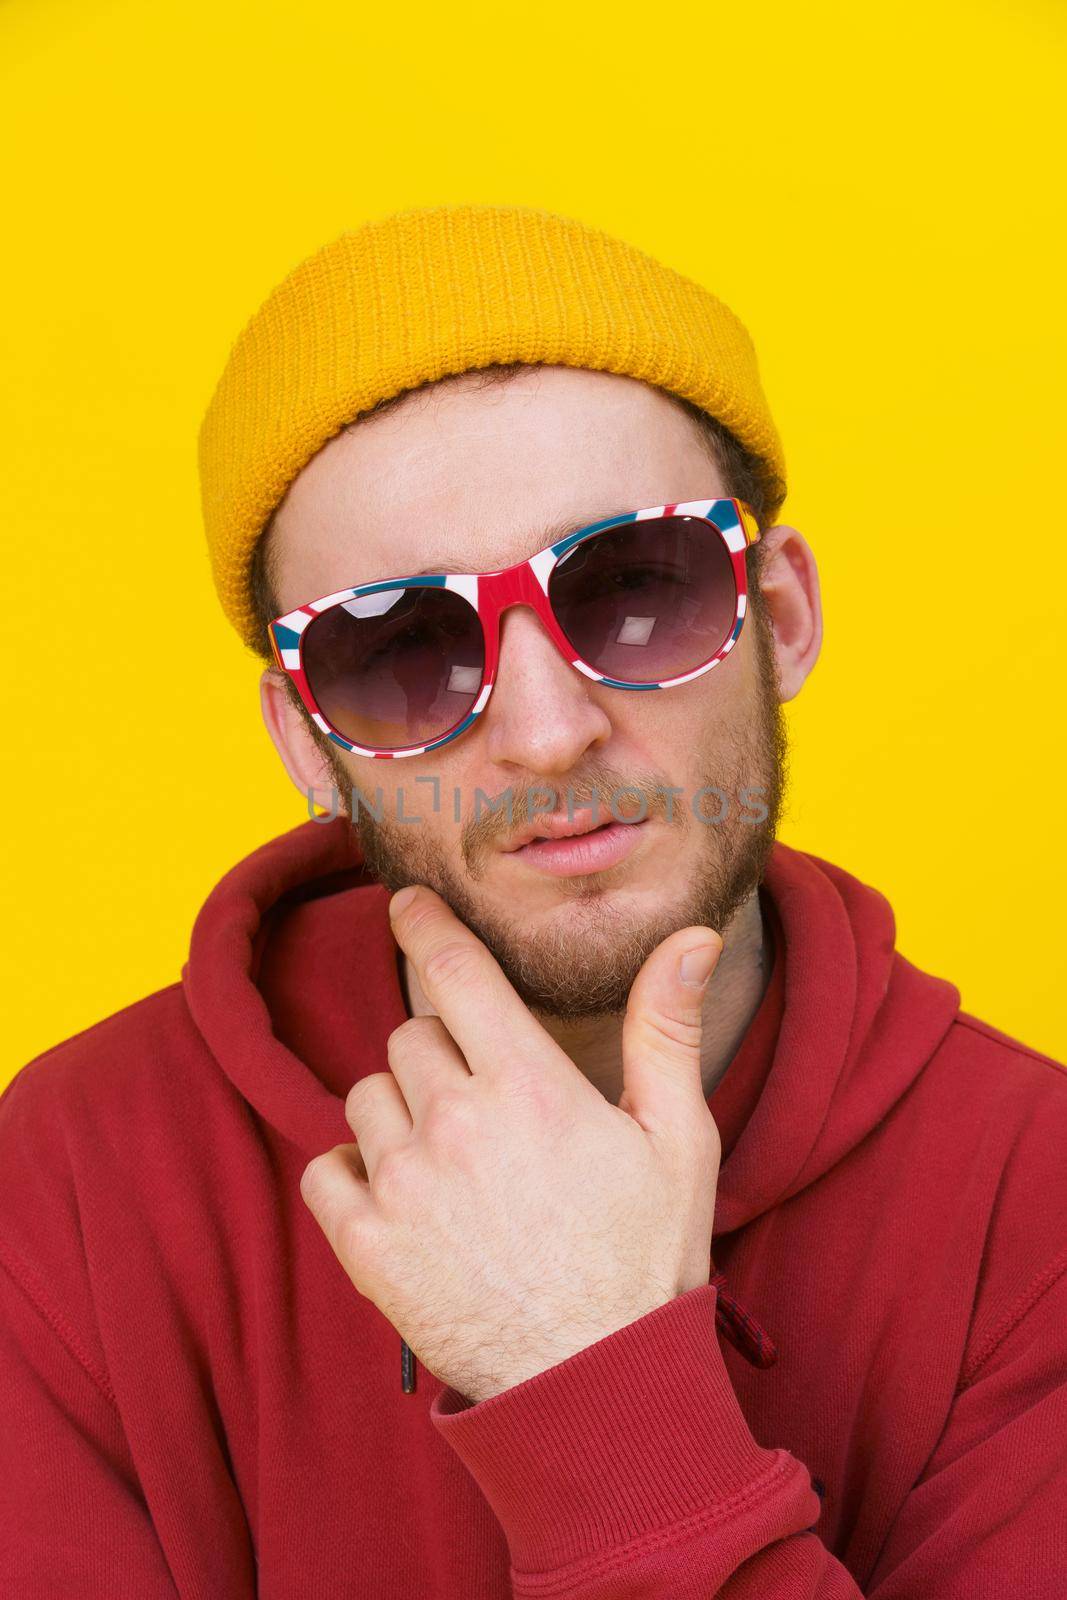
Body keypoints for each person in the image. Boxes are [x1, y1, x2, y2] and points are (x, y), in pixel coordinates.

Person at [1, 203, 1064, 1597]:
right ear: (304, 741)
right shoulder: (75, 1179)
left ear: (784, 618)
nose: (550, 729)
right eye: (403, 648)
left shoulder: (1036, 1200)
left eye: (636, 589)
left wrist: (592, 1383)